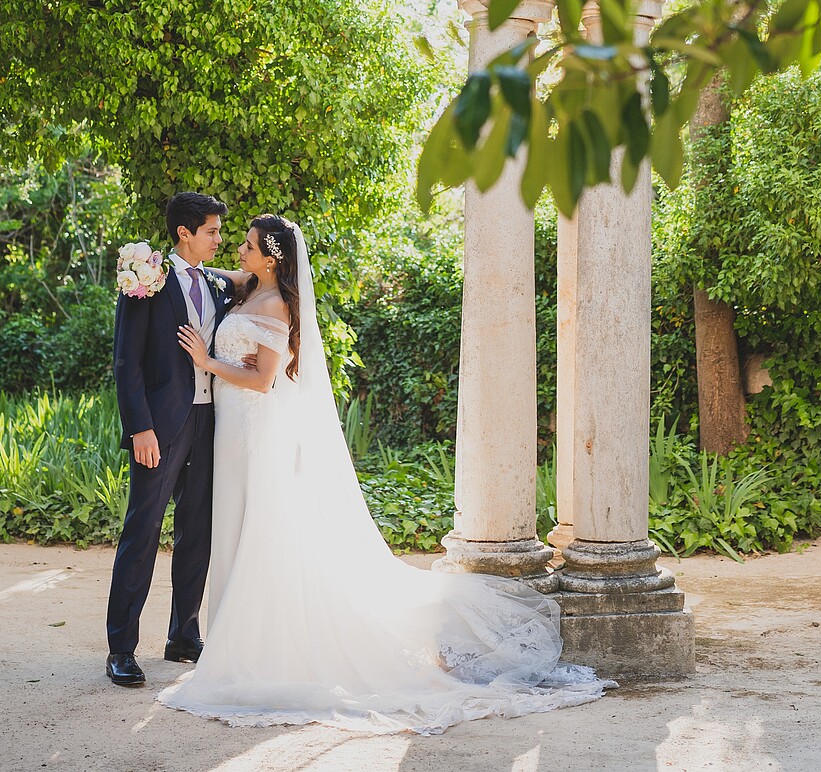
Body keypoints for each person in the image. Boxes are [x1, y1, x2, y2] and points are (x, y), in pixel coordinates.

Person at [158, 213, 610, 733]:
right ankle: (232, 641)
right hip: (232, 435)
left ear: (272, 257)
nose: (238, 249)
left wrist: (207, 361)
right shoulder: (246, 287)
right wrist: (161, 270)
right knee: (234, 529)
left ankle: (258, 650)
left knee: (261, 531)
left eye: (248, 244)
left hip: (257, 432)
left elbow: (262, 380)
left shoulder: (279, 305)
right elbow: (206, 275)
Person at [104, 191, 243, 687]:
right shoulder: (145, 280)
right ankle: (121, 647)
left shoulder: (216, 283)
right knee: (142, 532)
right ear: (184, 232)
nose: (219, 239)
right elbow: (127, 361)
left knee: (197, 532)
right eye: (211, 231)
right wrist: (139, 426)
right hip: (160, 427)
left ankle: (183, 635)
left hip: (212, 423)